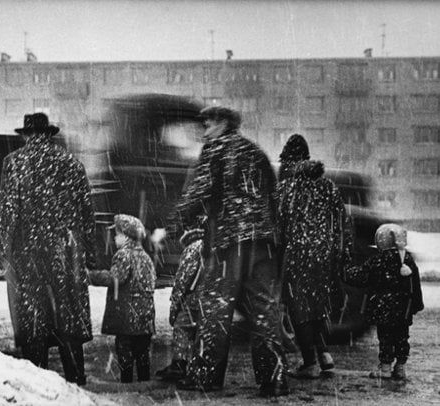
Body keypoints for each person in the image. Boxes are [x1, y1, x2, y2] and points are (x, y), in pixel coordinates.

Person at [171, 106, 289, 397]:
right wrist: (274, 235)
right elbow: (275, 197)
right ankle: (274, 379)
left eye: (209, 124)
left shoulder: (216, 149)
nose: (205, 130)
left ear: (224, 124)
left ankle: (206, 377)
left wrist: (177, 222)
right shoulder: (256, 152)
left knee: (216, 308)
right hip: (263, 243)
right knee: (264, 311)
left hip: (228, 243)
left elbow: (199, 191)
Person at [0, 112, 97, 386]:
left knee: (33, 315)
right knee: (67, 314)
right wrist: (90, 253)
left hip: (28, 252)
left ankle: (35, 378)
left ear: (26, 135)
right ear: (49, 135)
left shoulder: (15, 162)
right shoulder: (72, 164)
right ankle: (75, 376)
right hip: (66, 251)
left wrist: (0, 254)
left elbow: (8, 211)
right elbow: (87, 213)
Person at [277, 134, 353, 379]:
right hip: (323, 256)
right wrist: (341, 253)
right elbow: (342, 221)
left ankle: (309, 362)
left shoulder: (286, 188)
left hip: (298, 255)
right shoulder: (328, 186)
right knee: (318, 307)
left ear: (288, 160)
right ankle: (324, 354)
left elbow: (277, 227)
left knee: (299, 311)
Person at [343, 223, 424, 380]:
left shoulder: (377, 261)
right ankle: (400, 366)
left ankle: (385, 366)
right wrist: (415, 305)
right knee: (402, 337)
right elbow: (415, 285)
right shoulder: (408, 260)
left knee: (386, 337)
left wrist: (344, 271)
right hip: (403, 310)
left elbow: (360, 277)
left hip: (383, 309)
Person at [88, 214, 156, 383]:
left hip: (127, 320)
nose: (114, 238)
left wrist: (91, 276)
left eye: (116, 234)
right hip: (144, 318)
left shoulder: (123, 255)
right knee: (142, 355)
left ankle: (127, 386)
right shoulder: (146, 257)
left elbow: (115, 279)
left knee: (125, 354)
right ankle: (144, 384)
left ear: (126, 237)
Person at [155, 224, 205, 381]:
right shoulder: (209, 245)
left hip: (191, 298)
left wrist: (175, 304)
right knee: (200, 332)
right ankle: (196, 365)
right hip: (206, 297)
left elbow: (183, 279)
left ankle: (180, 364)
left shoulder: (193, 248)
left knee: (182, 328)